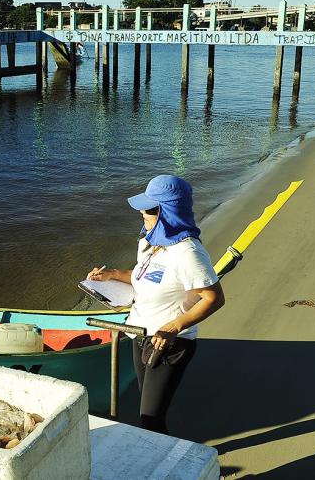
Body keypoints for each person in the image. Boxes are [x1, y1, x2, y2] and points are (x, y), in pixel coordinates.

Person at [86, 175, 225, 434]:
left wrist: (173, 327)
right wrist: (114, 274)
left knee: (150, 417)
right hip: (139, 334)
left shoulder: (188, 253)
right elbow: (146, 278)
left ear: (166, 212)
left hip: (169, 343)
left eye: (149, 209)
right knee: (147, 406)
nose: (142, 212)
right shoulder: (150, 242)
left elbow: (214, 297)